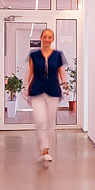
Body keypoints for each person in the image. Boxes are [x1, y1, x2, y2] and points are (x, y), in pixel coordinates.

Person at [26, 28, 65, 164]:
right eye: (45, 37)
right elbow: (30, 72)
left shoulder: (58, 55)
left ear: (52, 39)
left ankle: (46, 150)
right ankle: (41, 142)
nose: (47, 40)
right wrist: (25, 88)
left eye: (49, 37)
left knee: (49, 122)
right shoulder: (34, 55)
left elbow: (61, 72)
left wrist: (66, 86)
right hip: (37, 90)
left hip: (53, 91)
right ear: (41, 38)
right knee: (39, 121)